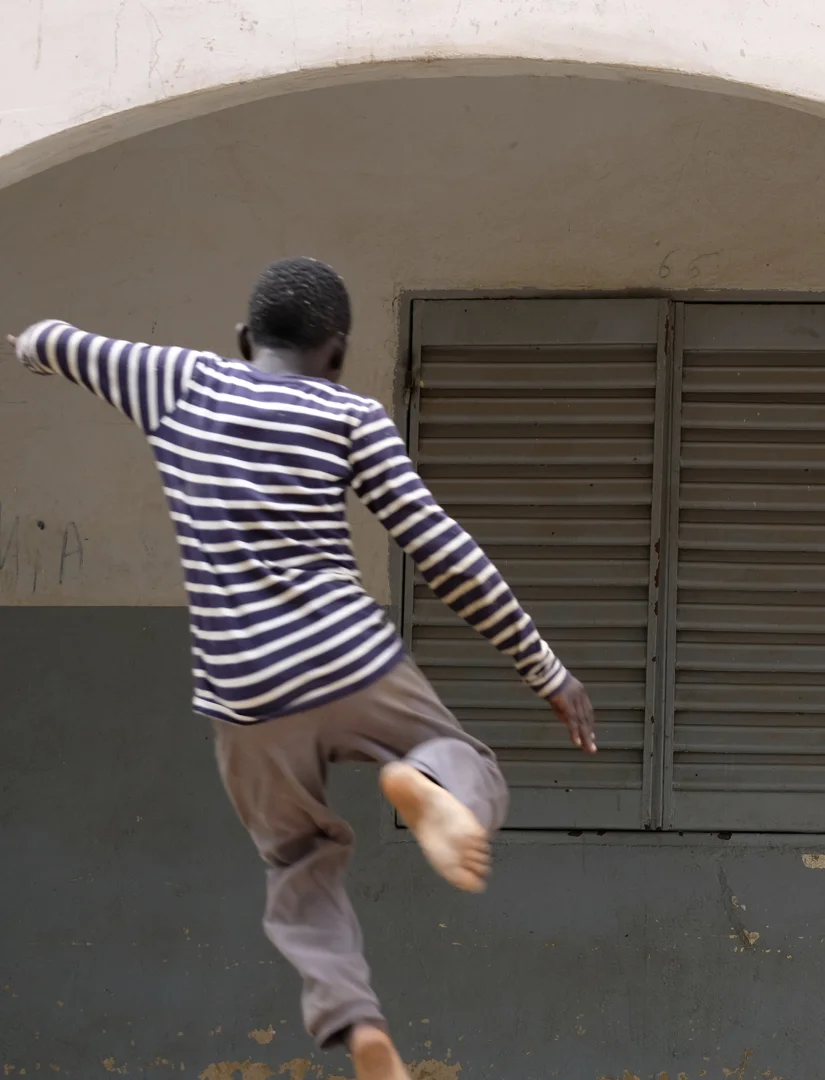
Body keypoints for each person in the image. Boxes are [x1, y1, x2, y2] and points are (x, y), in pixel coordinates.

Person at [9, 257, 597, 1080]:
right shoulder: (349, 415)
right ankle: (431, 783)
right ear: (339, 353)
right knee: (469, 762)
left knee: (297, 863)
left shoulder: (175, 380)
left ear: (246, 339)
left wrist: (31, 347)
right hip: (350, 658)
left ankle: (358, 1027)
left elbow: (53, 340)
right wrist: (547, 671)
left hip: (245, 696)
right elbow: (442, 552)